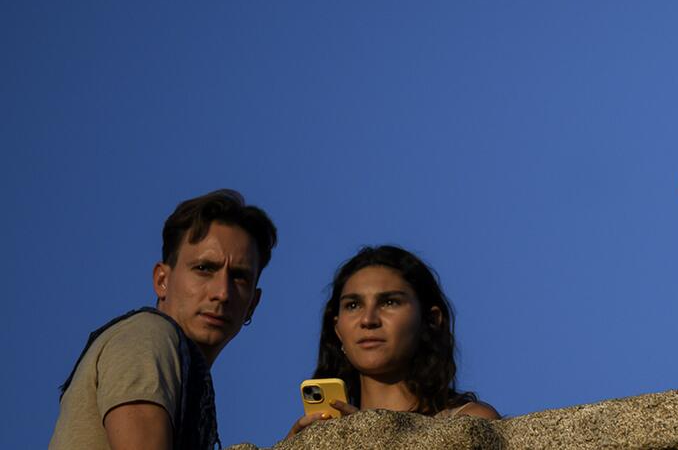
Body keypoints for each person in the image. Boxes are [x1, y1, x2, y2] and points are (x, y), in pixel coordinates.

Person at [51, 189, 277, 450]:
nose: (222, 293)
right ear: (162, 280)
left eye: (239, 277)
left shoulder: (184, 367)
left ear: (253, 304)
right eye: (204, 269)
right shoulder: (150, 336)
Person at [287, 245, 498, 433]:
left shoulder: (467, 423)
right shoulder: (319, 437)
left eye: (390, 302)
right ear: (338, 329)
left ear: (431, 320)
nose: (368, 320)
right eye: (353, 305)